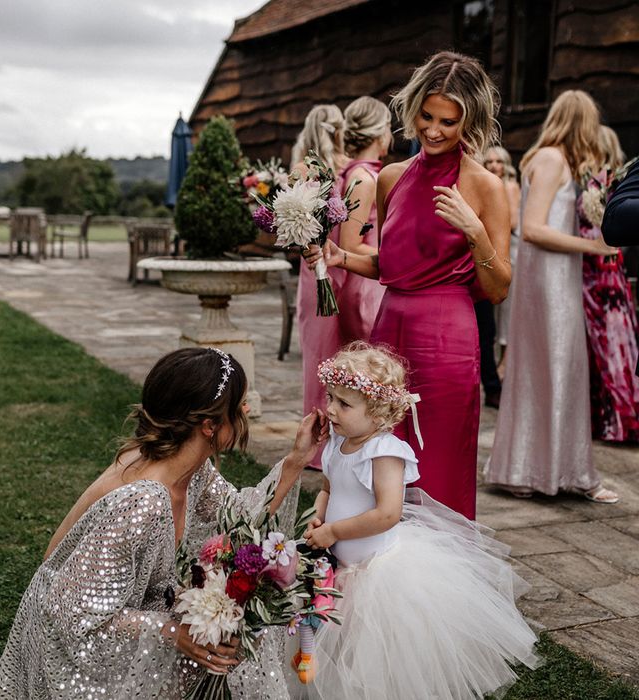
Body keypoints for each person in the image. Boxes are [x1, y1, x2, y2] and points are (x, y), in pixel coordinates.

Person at [0, 347, 328, 699]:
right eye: (238, 405)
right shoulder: (143, 502)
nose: (247, 410)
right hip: (69, 636)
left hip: (116, 605)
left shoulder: (191, 471)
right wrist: (175, 630)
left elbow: (239, 518)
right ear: (208, 426)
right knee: (202, 640)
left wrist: (296, 459)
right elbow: (73, 610)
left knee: (229, 631)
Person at [306, 52, 511, 519]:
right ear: (413, 108)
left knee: (437, 459)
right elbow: (394, 265)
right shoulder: (392, 178)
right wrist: (342, 257)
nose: (434, 130)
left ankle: (436, 581)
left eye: (449, 121)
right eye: (426, 116)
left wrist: (474, 230)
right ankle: (369, 558)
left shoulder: (485, 187)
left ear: (470, 121)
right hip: (389, 330)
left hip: (447, 338)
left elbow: (499, 287)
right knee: (374, 451)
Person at [300, 343, 538, 699]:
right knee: (338, 641)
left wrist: (335, 531)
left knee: (382, 648)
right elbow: (328, 489)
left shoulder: (383, 452)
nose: (331, 409)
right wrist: (319, 518)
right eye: (331, 398)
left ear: (378, 412)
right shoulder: (337, 441)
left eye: (344, 404)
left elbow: (387, 513)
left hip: (380, 573)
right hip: (339, 567)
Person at [485, 90, 620, 502]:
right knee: (558, 366)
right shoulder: (550, 159)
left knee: (553, 368)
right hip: (548, 280)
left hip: (556, 276)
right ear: (581, 122)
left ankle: (545, 469)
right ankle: (555, 472)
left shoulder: (556, 160)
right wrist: (594, 246)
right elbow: (533, 228)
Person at [298, 97, 392, 468]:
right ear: (379, 133)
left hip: (354, 278)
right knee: (368, 366)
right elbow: (352, 242)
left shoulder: (351, 172)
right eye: (388, 128)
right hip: (365, 281)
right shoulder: (364, 177)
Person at [577, 125, 639, 441]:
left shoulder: (608, 179)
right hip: (594, 272)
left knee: (616, 341)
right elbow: (614, 224)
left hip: (607, 272)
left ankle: (620, 416)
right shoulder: (598, 183)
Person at [484, 145, 522, 379]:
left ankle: (506, 362)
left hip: (511, 250)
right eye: (489, 162)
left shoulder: (508, 186)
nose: (494, 166)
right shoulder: (489, 185)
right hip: (496, 249)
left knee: (507, 309)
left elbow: (513, 222)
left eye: (498, 161)